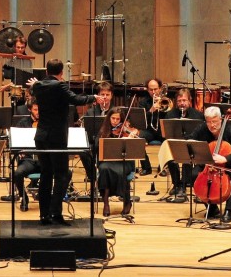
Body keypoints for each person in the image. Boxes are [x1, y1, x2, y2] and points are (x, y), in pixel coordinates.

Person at [27, 58, 103, 225]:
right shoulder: (59, 85)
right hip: (56, 137)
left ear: (47, 71)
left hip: (41, 137)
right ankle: (56, 213)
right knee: (62, 175)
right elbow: (75, 99)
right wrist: (94, 97)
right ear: (61, 73)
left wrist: (34, 84)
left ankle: (43, 215)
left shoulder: (38, 86)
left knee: (46, 175)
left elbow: (34, 89)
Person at [187, 106, 231, 223]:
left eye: (215, 121)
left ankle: (229, 211)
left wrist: (225, 158)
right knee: (194, 174)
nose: (212, 125)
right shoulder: (202, 128)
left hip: (228, 164)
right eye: (209, 122)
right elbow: (190, 140)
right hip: (207, 164)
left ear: (221, 119)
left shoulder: (230, 131)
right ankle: (211, 208)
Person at [163, 88, 204, 199]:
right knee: (170, 157)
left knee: (187, 156)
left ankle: (184, 185)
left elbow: (201, 134)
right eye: (179, 101)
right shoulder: (170, 115)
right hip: (176, 143)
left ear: (190, 101)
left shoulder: (197, 115)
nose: (182, 103)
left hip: (191, 145)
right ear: (176, 102)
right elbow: (166, 133)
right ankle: (176, 184)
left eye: (184, 100)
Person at [96, 108, 138, 217]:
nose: (115, 121)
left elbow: (136, 148)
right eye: (113, 118)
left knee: (121, 171)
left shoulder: (125, 131)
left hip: (124, 162)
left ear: (122, 120)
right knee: (104, 169)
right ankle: (106, 203)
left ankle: (127, 201)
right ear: (108, 118)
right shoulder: (103, 131)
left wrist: (131, 138)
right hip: (107, 161)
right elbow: (96, 148)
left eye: (118, 119)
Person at [8, 101, 40, 211]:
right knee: (17, 173)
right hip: (28, 159)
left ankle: (46, 196)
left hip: (43, 158)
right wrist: (20, 150)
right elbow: (15, 142)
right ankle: (24, 197)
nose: (38, 112)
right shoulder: (22, 123)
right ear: (30, 110)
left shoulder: (46, 122)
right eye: (35, 110)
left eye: (40, 109)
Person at [133, 77, 168, 175]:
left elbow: (170, 117)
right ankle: (146, 167)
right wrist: (151, 111)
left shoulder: (166, 100)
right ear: (147, 90)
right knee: (136, 139)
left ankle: (163, 167)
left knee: (170, 140)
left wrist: (162, 106)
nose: (153, 92)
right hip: (149, 130)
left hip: (162, 130)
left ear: (160, 89)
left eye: (155, 89)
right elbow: (141, 121)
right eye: (151, 89)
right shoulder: (143, 102)